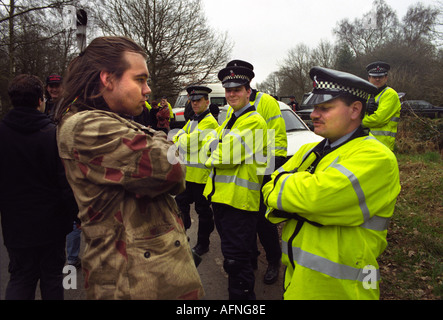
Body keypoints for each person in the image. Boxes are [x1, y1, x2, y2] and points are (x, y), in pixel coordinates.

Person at [55, 36, 203, 300]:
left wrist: (160, 142)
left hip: (152, 280)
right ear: (107, 79)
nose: (147, 90)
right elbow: (172, 170)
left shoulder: (114, 121)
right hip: (130, 285)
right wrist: (164, 141)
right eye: (140, 79)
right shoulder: (84, 125)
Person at [262, 66, 401, 300]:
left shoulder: (376, 157)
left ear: (355, 110)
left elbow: (315, 199)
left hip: (343, 290)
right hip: (297, 282)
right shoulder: (310, 149)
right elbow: (268, 187)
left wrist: (287, 185)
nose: (314, 114)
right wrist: (291, 191)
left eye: (325, 108)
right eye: (315, 107)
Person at [0, 74, 77, 300]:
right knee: (53, 277)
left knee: (21, 277)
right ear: (40, 100)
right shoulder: (53, 135)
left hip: (15, 224)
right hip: (51, 224)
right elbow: (66, 181)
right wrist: (77, 215)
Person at [202, 65, 268, 300]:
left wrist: (212, 150)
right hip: (223, 200)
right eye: (228, 90)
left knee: (236, 265)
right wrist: (214, 147)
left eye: (237, 90)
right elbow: (211, 142)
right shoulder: (232, 117)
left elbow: (223, 157)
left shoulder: (253, 121)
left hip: (238, 204)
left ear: (248, 91)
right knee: (236, 260)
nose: (231, 95)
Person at [224, 60, 287, 285]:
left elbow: (278, 137)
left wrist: (270, 171)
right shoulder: (230, 107)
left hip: (262, 170)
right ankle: (250, 258)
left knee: (263, 221)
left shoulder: (266, 102)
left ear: (248, 82)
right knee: (245, 220)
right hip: (240, 172)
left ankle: (273, 261)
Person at [173, 85, 219, 256]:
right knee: (180, 206)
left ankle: (203, 244)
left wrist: (181, 139)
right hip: (188, 175)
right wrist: (181, 139)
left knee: (203, 213)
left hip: (201, 177)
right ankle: (183, 237)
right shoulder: (193, 120)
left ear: (207, 101)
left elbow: (184, 142)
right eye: (192, 100)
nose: (194, 103)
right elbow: (176, 138)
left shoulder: (209, 122)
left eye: (198, 100)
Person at [362, 61, 401, 151]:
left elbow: (378, 119)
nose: (377, 79)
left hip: (382, 146)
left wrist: (355, 123)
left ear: (386, 77)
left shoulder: (390, 94)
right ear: (369, 78)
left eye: (380, 77)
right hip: (364, 143)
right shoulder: (366, 94)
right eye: (374, 77)